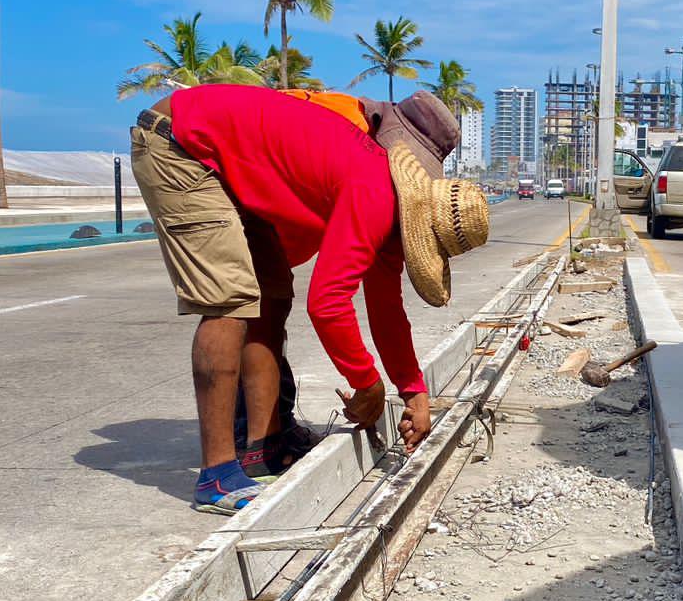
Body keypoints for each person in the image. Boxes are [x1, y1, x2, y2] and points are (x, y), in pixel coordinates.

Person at [131, 85, 489, 514]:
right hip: (181, 142)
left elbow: (386, 311)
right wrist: (367, 383)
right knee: (229, 301)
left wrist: (413, 392)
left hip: (221, 156)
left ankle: (260, 451)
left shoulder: (393, 209)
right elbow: (328, 302)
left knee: (272, 297)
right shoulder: (374, 193)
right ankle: (217, 476)